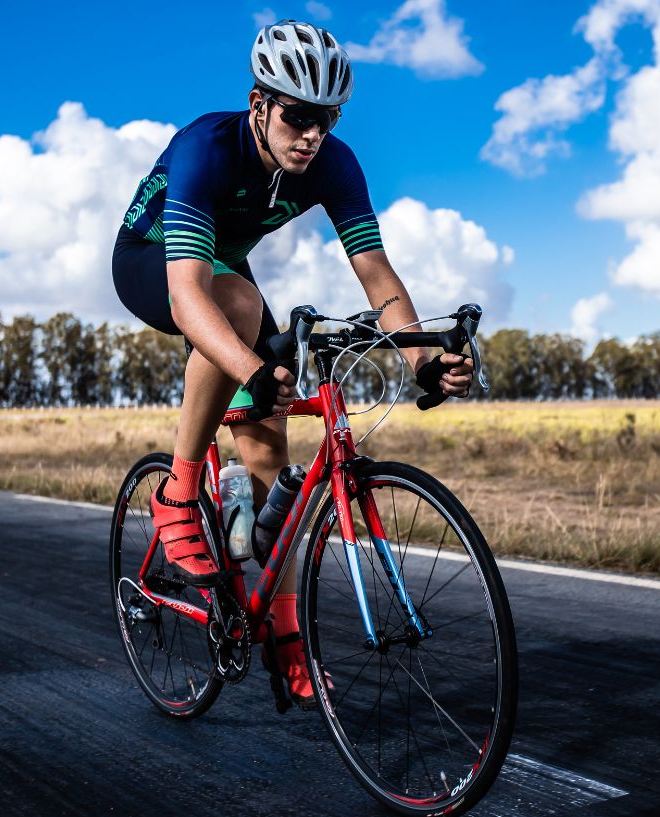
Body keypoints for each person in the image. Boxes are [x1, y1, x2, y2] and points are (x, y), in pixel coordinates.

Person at [112, 19, 473, 708]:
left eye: (327, 120)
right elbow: (190, 297)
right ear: (260, 105)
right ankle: (178, 492)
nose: (312, 134)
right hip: (153, 256)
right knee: (241, 311)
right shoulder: (206, 149)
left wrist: (423, 361)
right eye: (298, 116)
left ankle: (283, 635)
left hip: (225, 268)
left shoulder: (334, 164)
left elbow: (377, 275)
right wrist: (248, 369)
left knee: (271, 456)